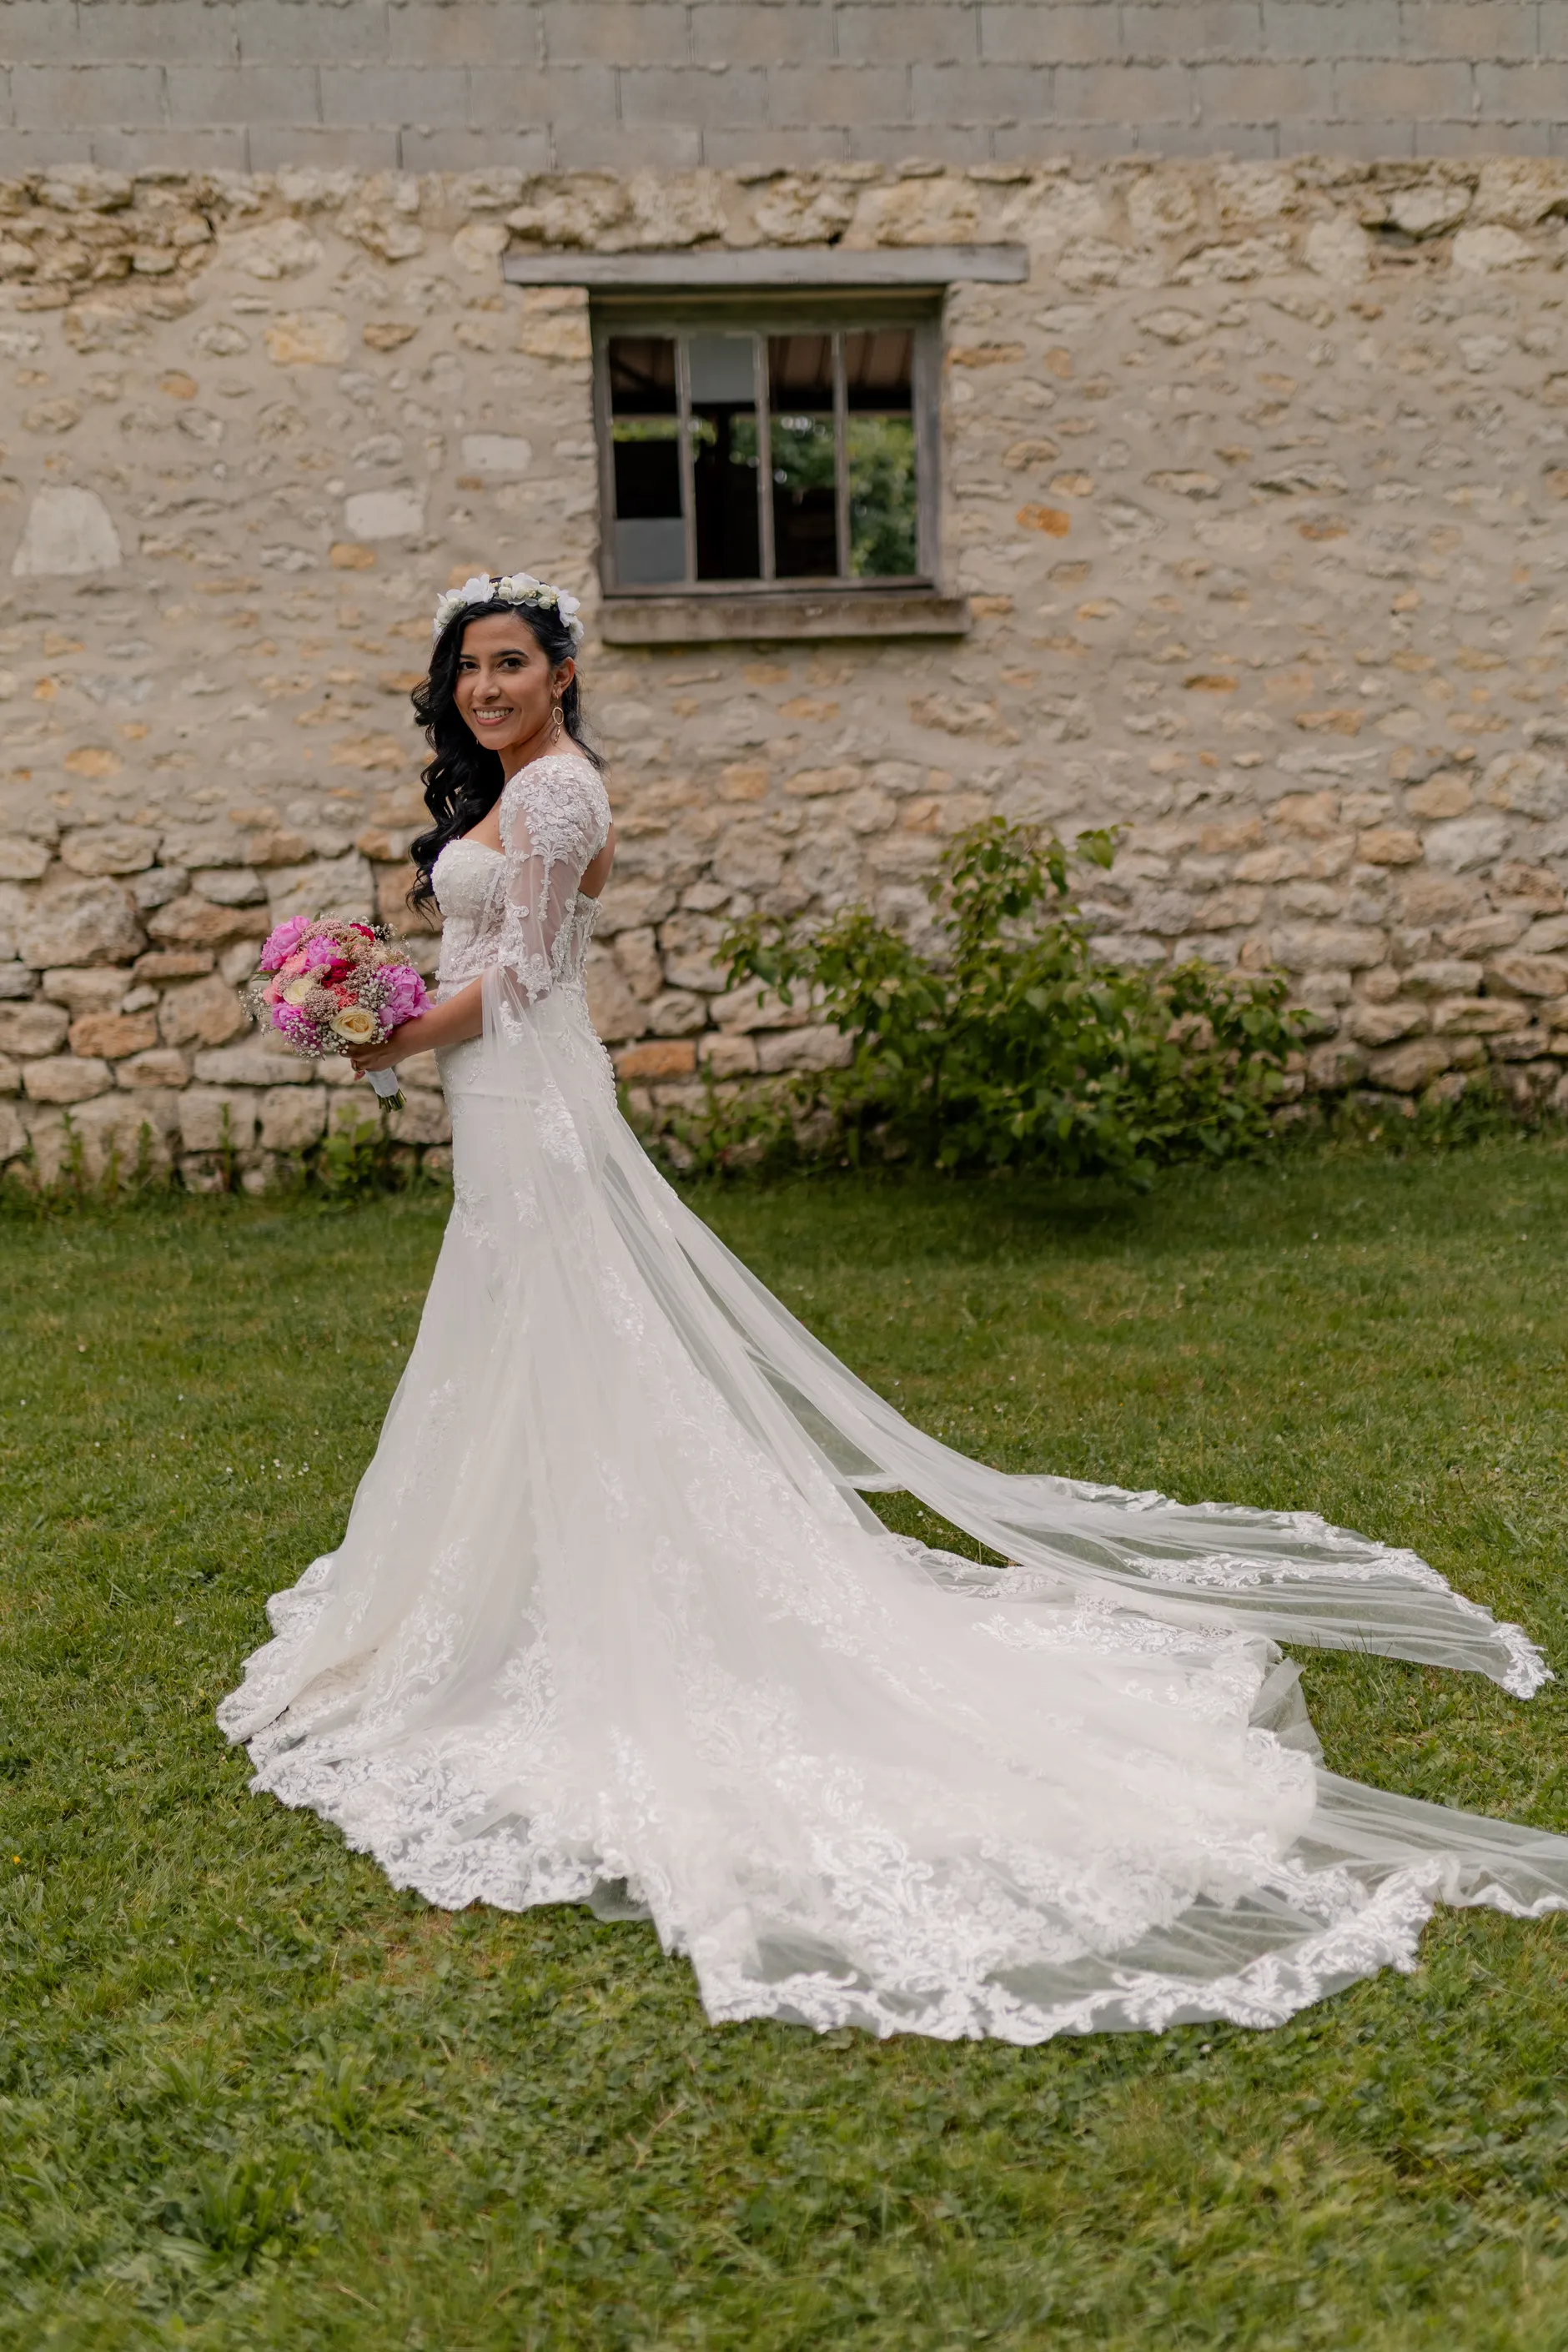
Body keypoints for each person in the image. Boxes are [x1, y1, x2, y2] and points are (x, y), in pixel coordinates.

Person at [219, 573, 1568, 2043]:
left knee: (564, 1328)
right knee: (527, 1337)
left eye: (509, 665)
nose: (485, 688)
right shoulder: (523, 792)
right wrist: (369, 1006)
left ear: (559, 672)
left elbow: (530, 971)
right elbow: (511, 952)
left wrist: (386, 1028)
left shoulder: (553, 799)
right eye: (468, 670)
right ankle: (515, 1567)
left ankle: (585, 1584)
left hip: (527, 1095)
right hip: (505, 1101)